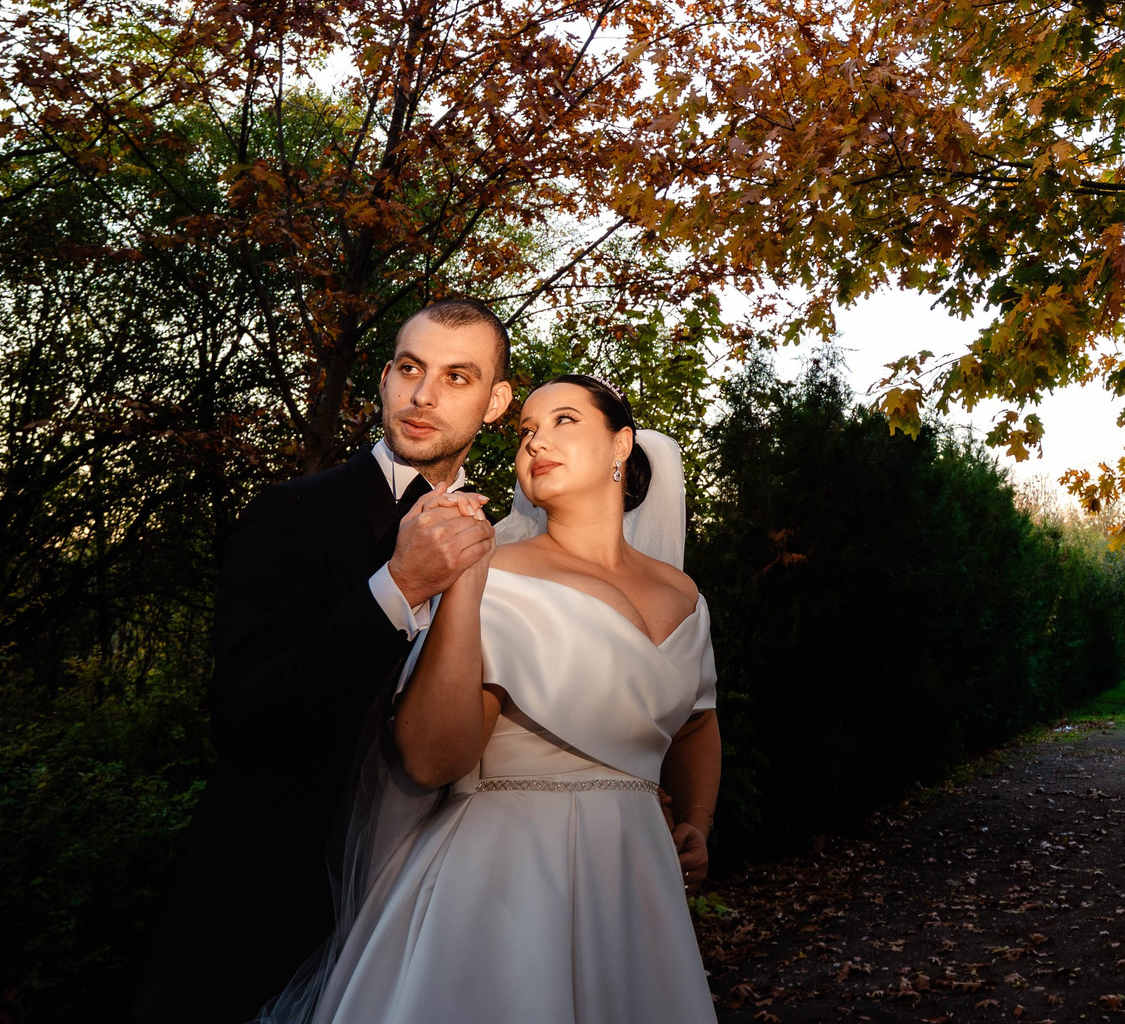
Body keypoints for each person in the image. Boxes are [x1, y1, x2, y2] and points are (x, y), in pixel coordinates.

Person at [272, 372, 721, 1023]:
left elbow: (697, 723)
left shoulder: (684, 595)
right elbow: (430, 760)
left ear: (622, 443)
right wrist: (466, 592)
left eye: (564, 419)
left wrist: (697, 825)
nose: (536, 440)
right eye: (526, 430)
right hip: (505, 880)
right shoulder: (496, 576)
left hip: (634, 877)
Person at [132, 301, 510, 1024]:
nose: (423, 394)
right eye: (409, 367)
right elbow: (242, 714)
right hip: (266, 910)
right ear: (384, 378)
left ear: (495, 403)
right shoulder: (291, 512)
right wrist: (395, 589)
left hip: (437, 909)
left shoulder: (508, 544)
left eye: (457, 376)